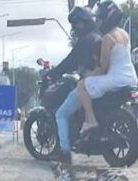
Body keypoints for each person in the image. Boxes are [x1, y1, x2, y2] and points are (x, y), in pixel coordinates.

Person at [49, 6, 102, 163]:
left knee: (61, 114)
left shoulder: (86, 40)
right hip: (103, 83)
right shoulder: (98, 36)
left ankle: (64, 152)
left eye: (76, 24)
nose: (74, 28)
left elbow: (70, 61)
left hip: (90, 84)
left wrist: (53, 72)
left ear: (83, 23)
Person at [77, 1, 138, 136]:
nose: (99, 22)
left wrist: (87, 76)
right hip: (131, 78)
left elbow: (102, 67)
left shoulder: (107, 38)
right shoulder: (124, 34)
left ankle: (90, 120)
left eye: (100, 18)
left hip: (116, 79)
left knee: (81, 85)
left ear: (106, 18)